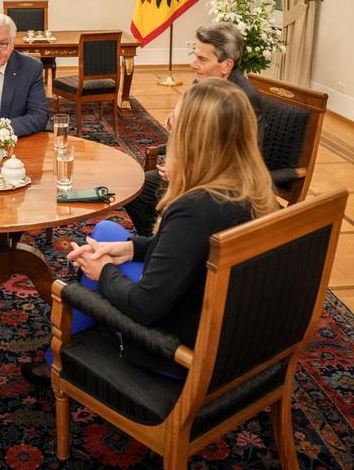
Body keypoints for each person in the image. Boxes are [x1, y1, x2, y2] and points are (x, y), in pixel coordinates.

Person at [22, 78, 278, 386]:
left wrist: (101, 271)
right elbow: (194, 249)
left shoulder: (196, 208)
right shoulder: (255, 188)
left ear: (194, 139)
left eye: (174, 127)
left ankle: (60, 362)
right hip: (235, 327)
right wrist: (130, 249)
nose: (170, 136)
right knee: (106, 233)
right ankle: (57, 358)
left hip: (180, 349)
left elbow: (144, 307)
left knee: (86, 273)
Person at [124, 22, 264, 236]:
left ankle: (170, 245)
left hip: (219, 190)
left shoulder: (242, 99)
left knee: (152, 194)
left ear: (226, 65)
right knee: (134, 188)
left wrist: (185, 171)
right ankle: (156, 243)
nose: (192, 64)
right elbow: (182, 124)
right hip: (190, 171)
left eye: (202, 59)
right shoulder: (205, 82)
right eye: (195, 55)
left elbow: (239, 162)